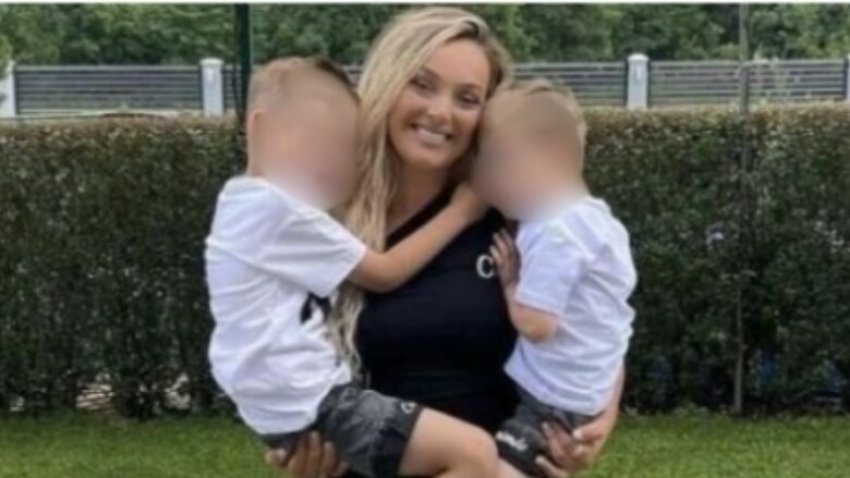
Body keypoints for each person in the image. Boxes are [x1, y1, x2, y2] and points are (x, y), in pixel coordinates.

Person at [267, 7, 625, 478]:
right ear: (387, 82)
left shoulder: (514, 215)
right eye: (422, 84)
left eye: (468, 98)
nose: (440, 112)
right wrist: (297, 451)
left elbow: (599, 317)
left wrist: (595, 422)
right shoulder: (324, 218)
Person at [205, 56, 506, 478]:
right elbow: (384, 273)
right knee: (474, 455)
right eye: (313, 139)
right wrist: (461, 212)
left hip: (298, 403)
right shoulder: (283, 211)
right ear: (260, 129)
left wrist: (590, 420)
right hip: (317, 401)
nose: (328, 159)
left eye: (341, 146)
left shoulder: (248, 206)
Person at [474, 80, 637, 478]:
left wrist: (511, 284)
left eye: (500, 162)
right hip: (579, 391)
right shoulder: (596, 220)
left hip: (552, 401)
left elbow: (537, 325)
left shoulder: (555, 231)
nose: (485, 178)